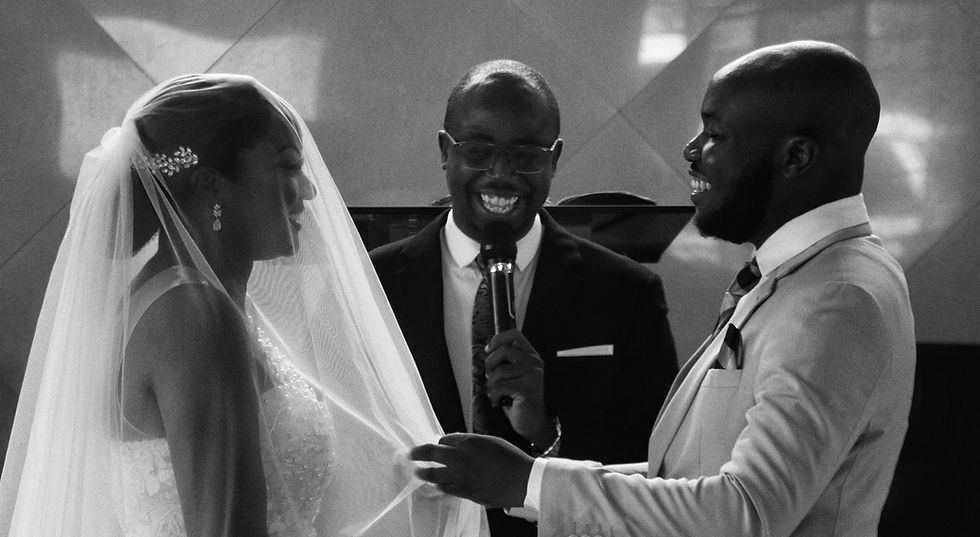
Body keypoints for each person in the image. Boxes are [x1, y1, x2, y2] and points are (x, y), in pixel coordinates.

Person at [410, 40, 916, 537]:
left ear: (796, 156)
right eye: (479, 149)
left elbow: (747, 513)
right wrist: (527, 480)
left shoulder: (836, 298)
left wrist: (528, 480)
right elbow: (681, 475)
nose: (691, 151)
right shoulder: (803, 278)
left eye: (715, 133)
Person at [0, 74, 486, 537]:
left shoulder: (205, 303)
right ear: (211, 186)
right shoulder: (194, 317)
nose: (309, 191)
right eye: (287, 166)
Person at [370, 59, 678, 536]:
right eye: (479, 149)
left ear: (554, 159)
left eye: (526, 153)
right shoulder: (376, 282)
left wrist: (545, 432)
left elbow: (658, 469)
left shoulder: (626, 293)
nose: (502, 172)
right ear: (444, 151)